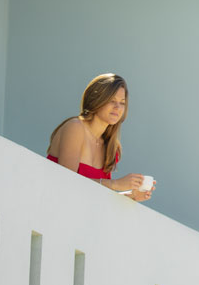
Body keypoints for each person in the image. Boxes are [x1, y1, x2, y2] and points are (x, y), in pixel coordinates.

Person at [47, 73, 154, 202]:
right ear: (97, 99)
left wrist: (130, 196)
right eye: (112, 101)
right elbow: (67, 183)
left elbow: (95, 196)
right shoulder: (75, 127)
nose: (118, 108)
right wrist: (116, 184)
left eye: (122, 103)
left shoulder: (111, 146)